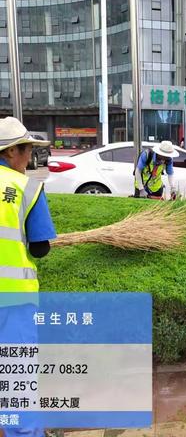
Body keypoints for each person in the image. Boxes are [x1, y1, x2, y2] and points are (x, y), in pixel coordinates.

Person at [0, 116, 57, 437]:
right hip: (12, 300)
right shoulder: (28, 189)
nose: (29, 158)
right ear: (11, 153)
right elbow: (39, 249)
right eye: (26, 151)